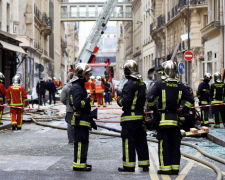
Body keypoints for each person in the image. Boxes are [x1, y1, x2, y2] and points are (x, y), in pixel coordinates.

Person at [147, 60, 194, 175]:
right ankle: (175, 168)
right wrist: (183, 111)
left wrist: (154, 110)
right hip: (175, 120)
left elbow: (150, 97)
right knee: (175, 145)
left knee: (164, 146)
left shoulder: (159, 84)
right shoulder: (180, 85)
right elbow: (191, 100)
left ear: (165, 71)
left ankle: (165, 169)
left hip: (163, 120)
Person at [117, 60, 150, 172]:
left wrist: (119, 100)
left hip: (129, 118)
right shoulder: (142, 84)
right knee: (141, 141)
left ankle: (128, 166)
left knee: (128, 142)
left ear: (127, 71)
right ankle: (144, 164)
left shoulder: (129, 84)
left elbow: (125, 102)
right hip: (140, 117)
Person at [69, 63, 93, 171]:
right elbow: (77, 104)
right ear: (82, 74)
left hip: (83, 119)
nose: (89, 76)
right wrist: (88, 100)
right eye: (87, 74)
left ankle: (82, 163)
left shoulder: (79, 85)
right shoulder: (77, 87)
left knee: (83, 142)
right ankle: (78, 165)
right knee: (80, 143)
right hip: (80, 119)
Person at [60, 72, 74, 144]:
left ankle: (71, 140)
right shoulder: (77, 86)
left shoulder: (66, 87)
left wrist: (67, 104)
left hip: (69, 109)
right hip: (78, 108)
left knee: (70, 124)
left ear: (69, 78)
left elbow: (62, 99)